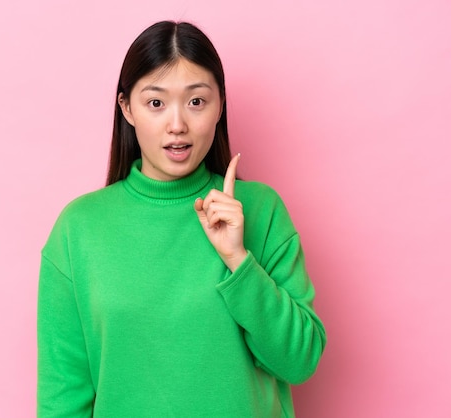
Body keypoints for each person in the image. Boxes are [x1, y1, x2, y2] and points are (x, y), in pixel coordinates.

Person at [37, 20, 326, 418]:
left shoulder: (260, 209)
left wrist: (239, 261)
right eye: (156, 103)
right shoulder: (80, 228)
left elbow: (300, 361)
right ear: (127, 108)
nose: (178, 125)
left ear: (220, 105)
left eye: (196, 102)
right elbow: (63, 397)